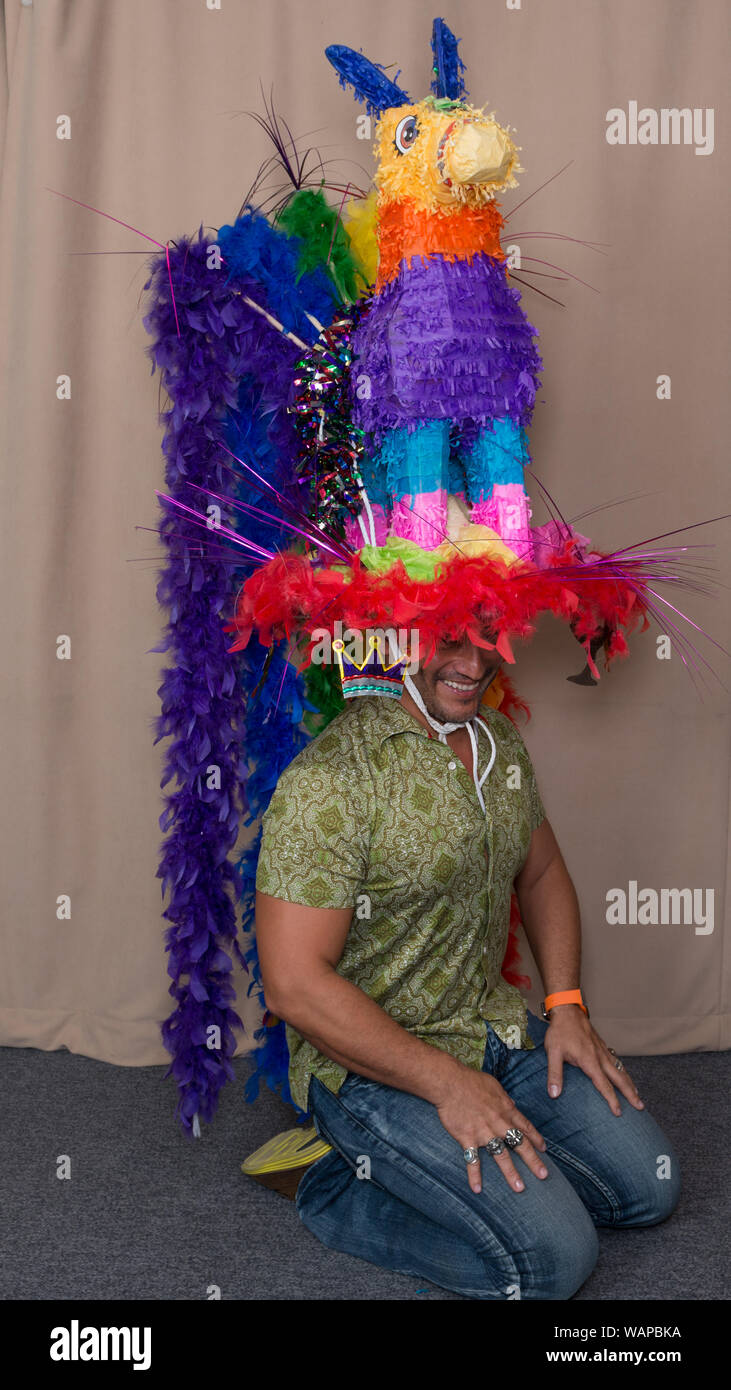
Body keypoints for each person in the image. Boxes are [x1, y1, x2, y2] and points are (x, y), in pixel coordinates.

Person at [254, 627, 681, 1300]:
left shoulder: (498, 743)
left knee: (648, 1188)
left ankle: (453, 1168)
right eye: (448, 639)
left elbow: (540, 875)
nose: (473, 662)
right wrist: (447, 1084)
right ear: (397, 636)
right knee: (555, 1262)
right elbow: (293, 985)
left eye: (489, 636)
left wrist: (566, 1004)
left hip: (493, 1028)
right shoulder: (327, 781)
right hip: (373, 1067)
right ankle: (332, 1182)